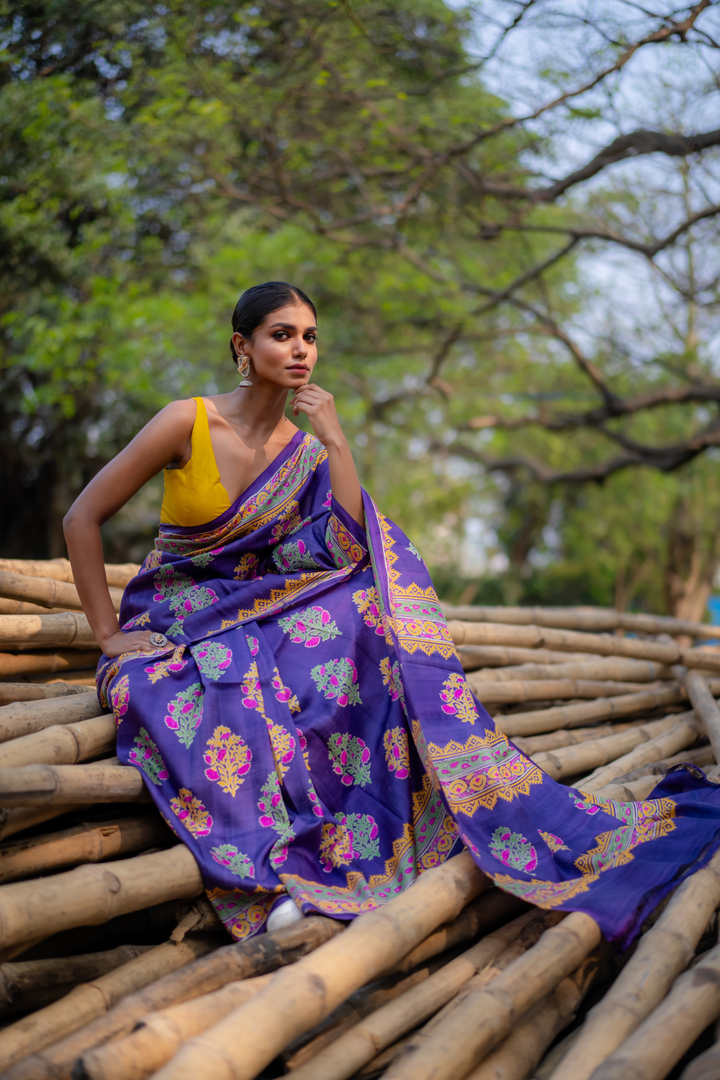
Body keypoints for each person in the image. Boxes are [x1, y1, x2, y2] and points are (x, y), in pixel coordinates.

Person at [64, 281, 720, 947]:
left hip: (254, 606)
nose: (300, 350)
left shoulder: (304, 450)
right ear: (243, 345)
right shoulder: (190, 420)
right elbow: (81, 516)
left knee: (366, 613)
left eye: (310, 337)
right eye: (282, 334)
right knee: (197, 688)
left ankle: (375, 832)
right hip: (178, 608)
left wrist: (335, 438)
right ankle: (274, 870)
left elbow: (344, 547)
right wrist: (110, 634)